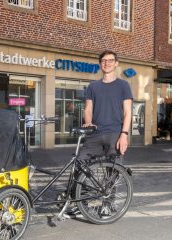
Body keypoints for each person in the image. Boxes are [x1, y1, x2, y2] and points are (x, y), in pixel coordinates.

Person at [65, 50, 133, 218]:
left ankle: (107, 205)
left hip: (115, 133)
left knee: (113, 171)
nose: (107, 63)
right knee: (80, 164)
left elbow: (128, 112)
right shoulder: (93, 86)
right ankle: (81, 201)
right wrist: (88, 122)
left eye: (110, 60)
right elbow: (88, 108)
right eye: (103, 60)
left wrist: (124, 134)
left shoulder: (123, 85)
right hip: (95, 134)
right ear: (100, 64)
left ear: (116, 63)